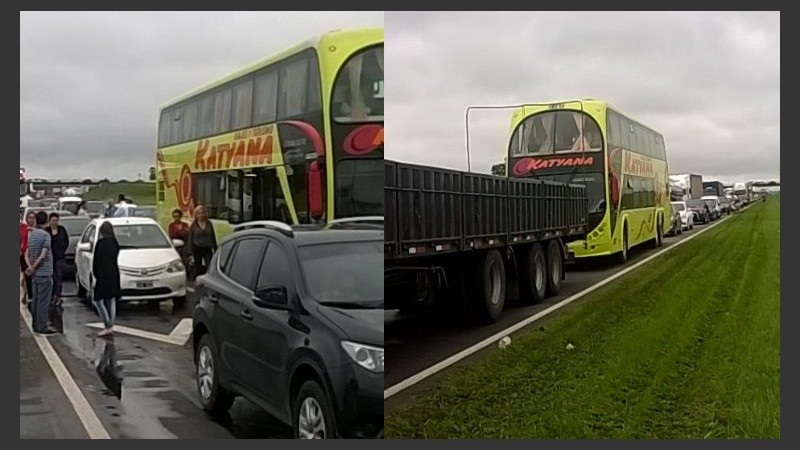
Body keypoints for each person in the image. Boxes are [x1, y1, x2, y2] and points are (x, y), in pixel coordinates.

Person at [26, 213, 56, 335]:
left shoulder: (32, 235)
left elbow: (28, 253)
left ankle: (35, 324)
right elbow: (43, 255)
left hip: (35, 275)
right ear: (47, 221)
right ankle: (42, 326)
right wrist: (34, 267)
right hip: (44, 272)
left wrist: (30, 267)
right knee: (43, 301)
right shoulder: (45, 235)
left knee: (36, 300)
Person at [92, 222, 121, 337]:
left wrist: (95, 273)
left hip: (102, 274)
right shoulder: (115, 243)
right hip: (113, 273)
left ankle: (107, 324)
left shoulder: (100, 244)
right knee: (111, 299)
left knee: (98, 300)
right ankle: (110, 324)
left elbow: (96, 260)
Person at [187, 205, 217, 279]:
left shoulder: (209, 223)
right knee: (198, 267)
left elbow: (212, 236)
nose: (201, 215)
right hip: (197, 248)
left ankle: (209, 279)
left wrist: (215, 248)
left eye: (202, 213)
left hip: (207, 248)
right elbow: (190, 238)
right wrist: (189, 252)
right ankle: (198, 280)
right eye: (199, 213)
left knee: (209, 265)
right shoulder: (194, 225)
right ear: (196, 215)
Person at [47, 212, 69, 311]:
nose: (54, 222)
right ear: (49, 221)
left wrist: (62, 250)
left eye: (56, 220)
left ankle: (58, 296)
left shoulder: (62, 230)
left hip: (60, 258)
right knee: (52, 278)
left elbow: (66, 241)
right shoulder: (47, 231)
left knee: (59, 278)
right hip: (50, 259)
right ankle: (52, 296)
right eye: (52, 220)